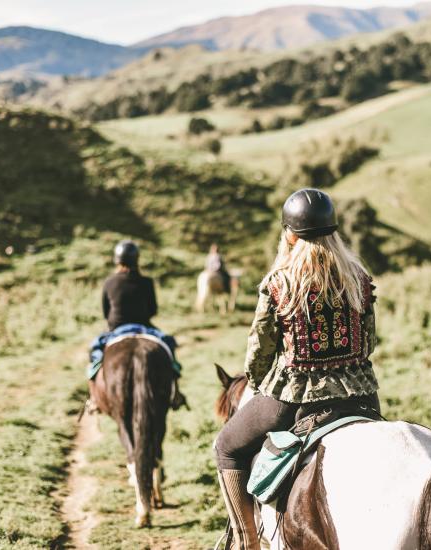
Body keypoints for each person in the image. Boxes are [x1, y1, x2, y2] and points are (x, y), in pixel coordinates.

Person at [214, 189, 380, 550]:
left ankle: (246, 541)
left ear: (290, 234)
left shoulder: (279, 283)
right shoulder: (360, 280)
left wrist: (259, 382)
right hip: (362, 394)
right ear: (333, 231)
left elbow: (260, 348)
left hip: (294, 395)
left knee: (226, 446)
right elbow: (369, 342)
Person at [87, 240, 187, 410]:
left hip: (116, 330)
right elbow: (152, 310)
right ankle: (175, 392)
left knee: (95, 353)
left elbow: (106, 313)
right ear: (137, 260)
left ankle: (94, 398)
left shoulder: (109, 282)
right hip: (144, 329)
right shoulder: (147, 282)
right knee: (169, 347)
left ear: (116, 260)